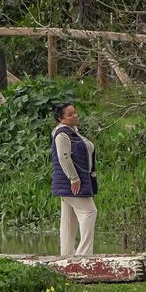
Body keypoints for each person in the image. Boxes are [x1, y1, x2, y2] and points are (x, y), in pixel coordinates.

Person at [50, 102, 97, 256]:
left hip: (75, 181)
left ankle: (66, 255)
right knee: (89, 211)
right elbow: (64, 157)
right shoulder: (62, 134)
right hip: (71, 182)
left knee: (69, 221)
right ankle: (84, 254)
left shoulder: (73, 132)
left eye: (75, 112)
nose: (75, 116)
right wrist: (74, 178)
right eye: (70, 115)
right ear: (60, 118)